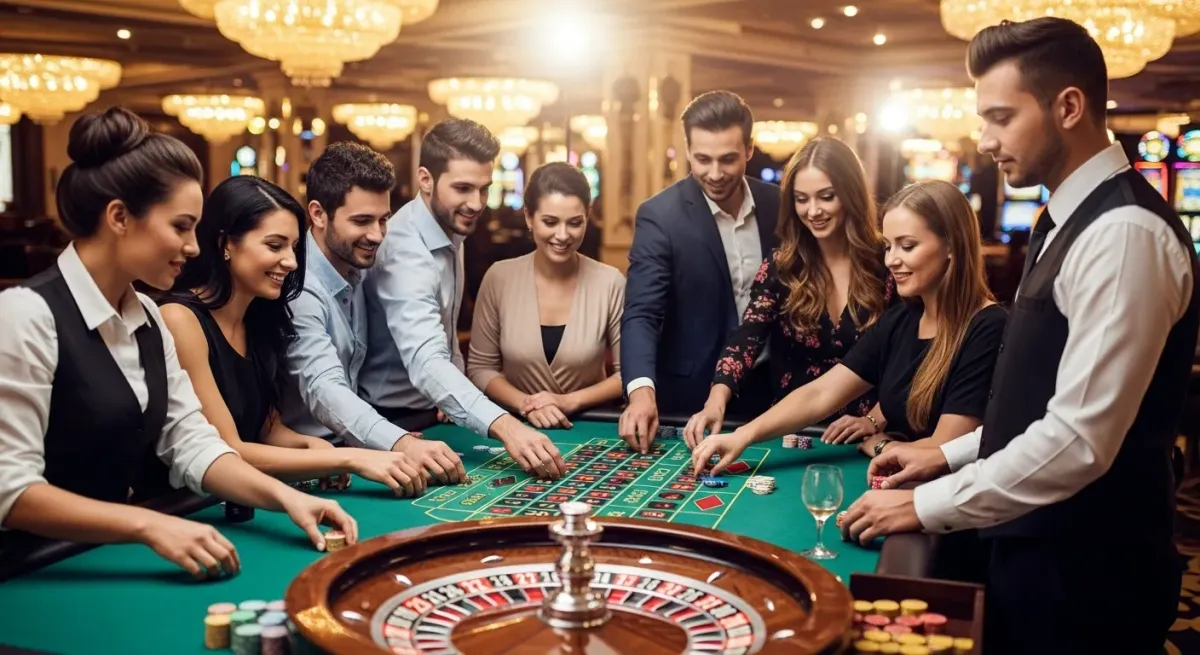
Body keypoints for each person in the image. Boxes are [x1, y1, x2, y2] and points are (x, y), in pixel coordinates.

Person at [843, 18, 1198, 654]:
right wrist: (946, 456)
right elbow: (1037, 404)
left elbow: (1078, 441)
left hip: (1087, 583)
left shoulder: (1123, 234)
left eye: (1001, 118)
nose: (985, 141)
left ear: (1068, 107)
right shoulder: (1064, 219)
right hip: (1036, 555)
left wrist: (925, 505)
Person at [0, 107, 356, 579]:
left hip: (108, 556)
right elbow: (10, 490)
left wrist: (288, 499)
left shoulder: (148, 315)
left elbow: (192, 443)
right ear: (119, 217)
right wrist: (148, 524)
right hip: (30, 572)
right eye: (181, 226)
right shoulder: (26, 314)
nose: (193, 246)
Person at [160, 175, 457, 499]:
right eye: (275, 245)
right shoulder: (181, 319)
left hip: (242, 495)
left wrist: (312, 446)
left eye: (293, 247)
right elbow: (228, 449)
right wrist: (348, 458)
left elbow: (268, 430)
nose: (291, 261)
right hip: (183, 504)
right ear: (226, 243)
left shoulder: (259, 318)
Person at [691, 179, 1006, 476]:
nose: (891, 260)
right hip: (893, 484)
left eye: (907, 246)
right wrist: (742, 436)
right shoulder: (900, 321)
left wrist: (882, 445)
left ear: (951, 245)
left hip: (938, 502)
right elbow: (821, 393)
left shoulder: (988, 327)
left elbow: (945, 449)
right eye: (889, 246)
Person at [359, 118, 568, 479]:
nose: (476, 203)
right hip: (392, 419)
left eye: (484, 189)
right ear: (425, 179)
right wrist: (509, 428)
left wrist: (453, 390)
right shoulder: (406, 251)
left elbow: (445, 327)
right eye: (463, 188)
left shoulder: (450, 226)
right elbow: (426, 360)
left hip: (435, 410)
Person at [684, 136, 896, 448]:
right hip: (794, 430)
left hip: (867, 434)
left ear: (850, 193)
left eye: (826, 197)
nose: (813, 211)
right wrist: (716, 399)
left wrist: (875, 419)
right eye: (801, 199)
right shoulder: (783, 265)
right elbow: (747, 338)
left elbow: (911, 358)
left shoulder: (888, 262)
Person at [278, 141, 464, 486]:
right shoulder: (298, 286)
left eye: (383, 219)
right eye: (362, 221)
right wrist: (400, 442)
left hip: (350, 447)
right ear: (318, 214)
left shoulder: (357, 265)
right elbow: (324, 388)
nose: (377, 235)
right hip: (301, 466)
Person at [620, 90, 781, 452]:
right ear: (688, 150)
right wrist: (641, 392)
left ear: (749, 149)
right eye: (703, 159)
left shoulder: (779, 204)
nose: (715, 173)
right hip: (690, 399)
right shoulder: (660, 216)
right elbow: (642, 313)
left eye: (728, 159)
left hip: (772, 393)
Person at [467, 163, 624, 429]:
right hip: (516, 427)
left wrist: (568, 402)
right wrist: (527, 405)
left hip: (591, 427)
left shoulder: (611, 282)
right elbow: (481, 368)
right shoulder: (499, 277)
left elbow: (628, 375)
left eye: (574, 223)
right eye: (550, 222)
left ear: (587, 216)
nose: (562, 235)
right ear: (529, 217)